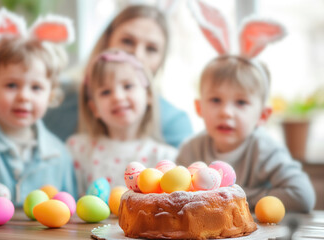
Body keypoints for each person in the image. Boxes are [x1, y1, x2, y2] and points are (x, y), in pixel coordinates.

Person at [176, 1, 316, 213]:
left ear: (262, 115)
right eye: (215, 100)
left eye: (241, 102)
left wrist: (234, 198)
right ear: (199, 107)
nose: (226, 112)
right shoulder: (191, 150)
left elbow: (302, 196)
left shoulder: (265, 150)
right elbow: (177, 196)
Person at [0, 8, 77, 205]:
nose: (24, 96)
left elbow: (69, 213)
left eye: (36, 87)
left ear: (50, 95)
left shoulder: (59, 155)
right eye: (11, 85)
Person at [44, 4, 193, 147]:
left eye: (151, 49)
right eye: (127, 41)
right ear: (107, 41)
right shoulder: (58, 100)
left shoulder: (174, 124)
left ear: (161, 61)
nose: (137, 55)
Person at [67, 49, 177, 196]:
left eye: (127, 86)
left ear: (149, 95)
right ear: (94, 109)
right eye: (105, 92)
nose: (118, 97)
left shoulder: (164, 157)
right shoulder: (78, 150)